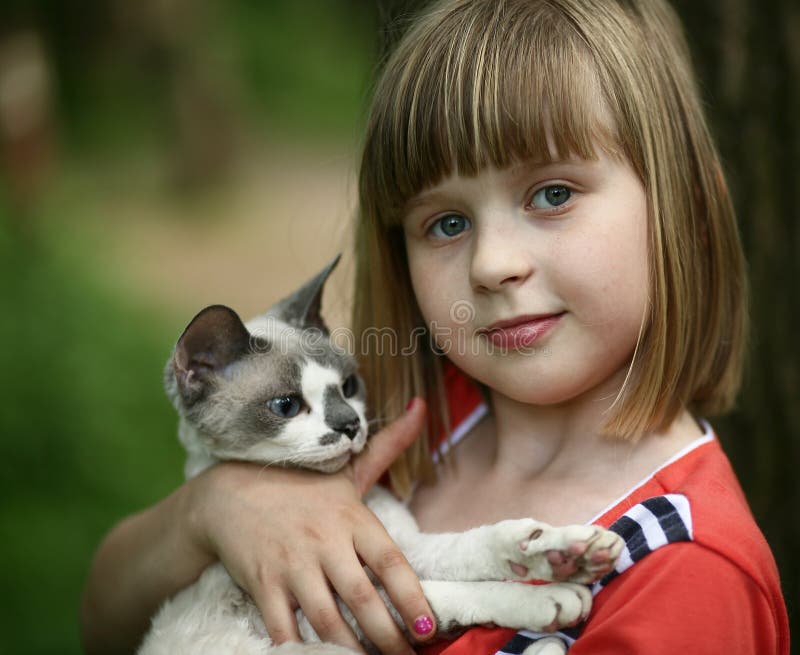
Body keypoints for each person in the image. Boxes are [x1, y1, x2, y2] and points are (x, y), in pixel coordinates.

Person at [80, 1, 790, 654]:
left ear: (685, 213)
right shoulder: (403, 411)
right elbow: (102, 618)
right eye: (446, 222)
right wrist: (213, 510)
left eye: (552, 193)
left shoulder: (688, 576)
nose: (492, 264)